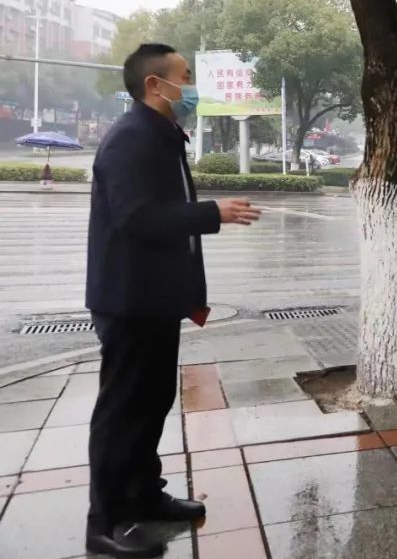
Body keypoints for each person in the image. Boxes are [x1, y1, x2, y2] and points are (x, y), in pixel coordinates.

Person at [85, 44, 263, 558]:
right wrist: (213, 212)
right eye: (186, 77)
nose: (192, 87)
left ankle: (144, 495)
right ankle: (105, 520)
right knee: (122, 410)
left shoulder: (160, 136)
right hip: (129, 300)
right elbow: (137, 218)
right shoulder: (130, 140)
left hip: (155, 299)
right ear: (154, 86)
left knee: (152, 403)